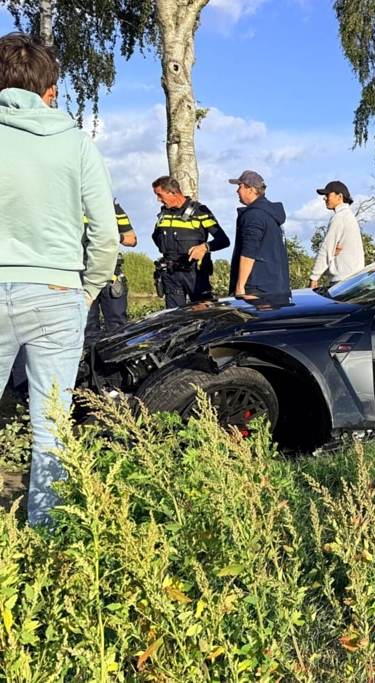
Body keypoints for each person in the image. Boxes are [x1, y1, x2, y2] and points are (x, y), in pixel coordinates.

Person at [0, 32, 119, 526]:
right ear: (49, 89)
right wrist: (87, 290)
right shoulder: (76, 144)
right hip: (56, 291)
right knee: (51, 429)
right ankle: (45, 548)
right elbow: (107, 236)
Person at [151, 176, 230, 308]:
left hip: (195, 275)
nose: (158, 200)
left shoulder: (200, 212)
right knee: (174, 319)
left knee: (202, 318)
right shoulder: (163, 214)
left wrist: (205, 247)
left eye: (160, 195)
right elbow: (156, 238)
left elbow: (223, 240)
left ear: (173, 192)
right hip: (171, 275)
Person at [228, 170, 290, 296]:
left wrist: (240, 287)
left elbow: (248, 253)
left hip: (255, 287)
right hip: (275, 286)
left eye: (240, 187)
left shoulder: (254, 215)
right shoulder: (271, 215)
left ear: (250, 189)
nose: (237, 191)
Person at [84, 202, 137, 346]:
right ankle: (92, 366)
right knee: (87, 329)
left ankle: (117, 366)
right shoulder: (70, 204)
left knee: (118, 328)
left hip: (111, 278)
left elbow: (132, 239)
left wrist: (115, 236)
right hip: (82, 278)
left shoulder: (114, 208)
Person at [309, 180, 365, 287]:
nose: (324, 198)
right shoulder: (348, 216)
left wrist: (314, 277)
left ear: (339, 196)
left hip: (342, 280)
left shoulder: (339, 218)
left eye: (327, 195)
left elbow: (326, 248)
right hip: (353, 278)